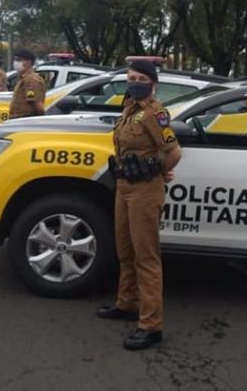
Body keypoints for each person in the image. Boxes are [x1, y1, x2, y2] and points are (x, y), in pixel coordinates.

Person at [97, 59, 182, 351]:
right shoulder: (129, 109)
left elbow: (173, 152)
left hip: (145, 191)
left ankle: (150, 326)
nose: (133, 82)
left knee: (146, 258)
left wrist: (158, 173)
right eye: (130, 77)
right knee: (125, 250)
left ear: (152, 83)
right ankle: (127, 303)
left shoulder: (154, 113)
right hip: (124, 187)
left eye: (140, 78)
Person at [8, 49, 45, 119]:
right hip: (19, 119)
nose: (16, 63)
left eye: (19, 60)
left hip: (24, 119)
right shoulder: (24, 78)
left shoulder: (31, 80)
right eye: (15, 60)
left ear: (29, 62)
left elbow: (37, 105)